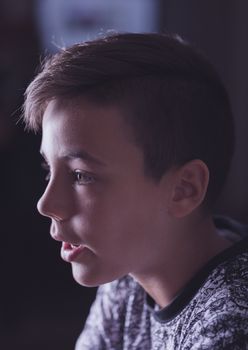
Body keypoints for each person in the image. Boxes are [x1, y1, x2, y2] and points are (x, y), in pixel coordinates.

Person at [22, 33, 248, 349]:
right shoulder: (130, 275)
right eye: (49, 169)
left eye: (80, 175)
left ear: (184, 189)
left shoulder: (231, 329)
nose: (47, 204)